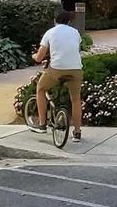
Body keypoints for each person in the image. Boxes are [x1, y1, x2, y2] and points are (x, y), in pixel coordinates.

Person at [31, 9, 84, 140]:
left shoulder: (50, 32)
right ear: (69, 22)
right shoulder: (75, 32)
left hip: (57, 69)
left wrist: (34, 56)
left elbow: (39, 57)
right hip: (76, 69)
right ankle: (77, 132)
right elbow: (73, 49)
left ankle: (42, 124)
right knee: (76, 99)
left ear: (55, 21)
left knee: (41, 89)